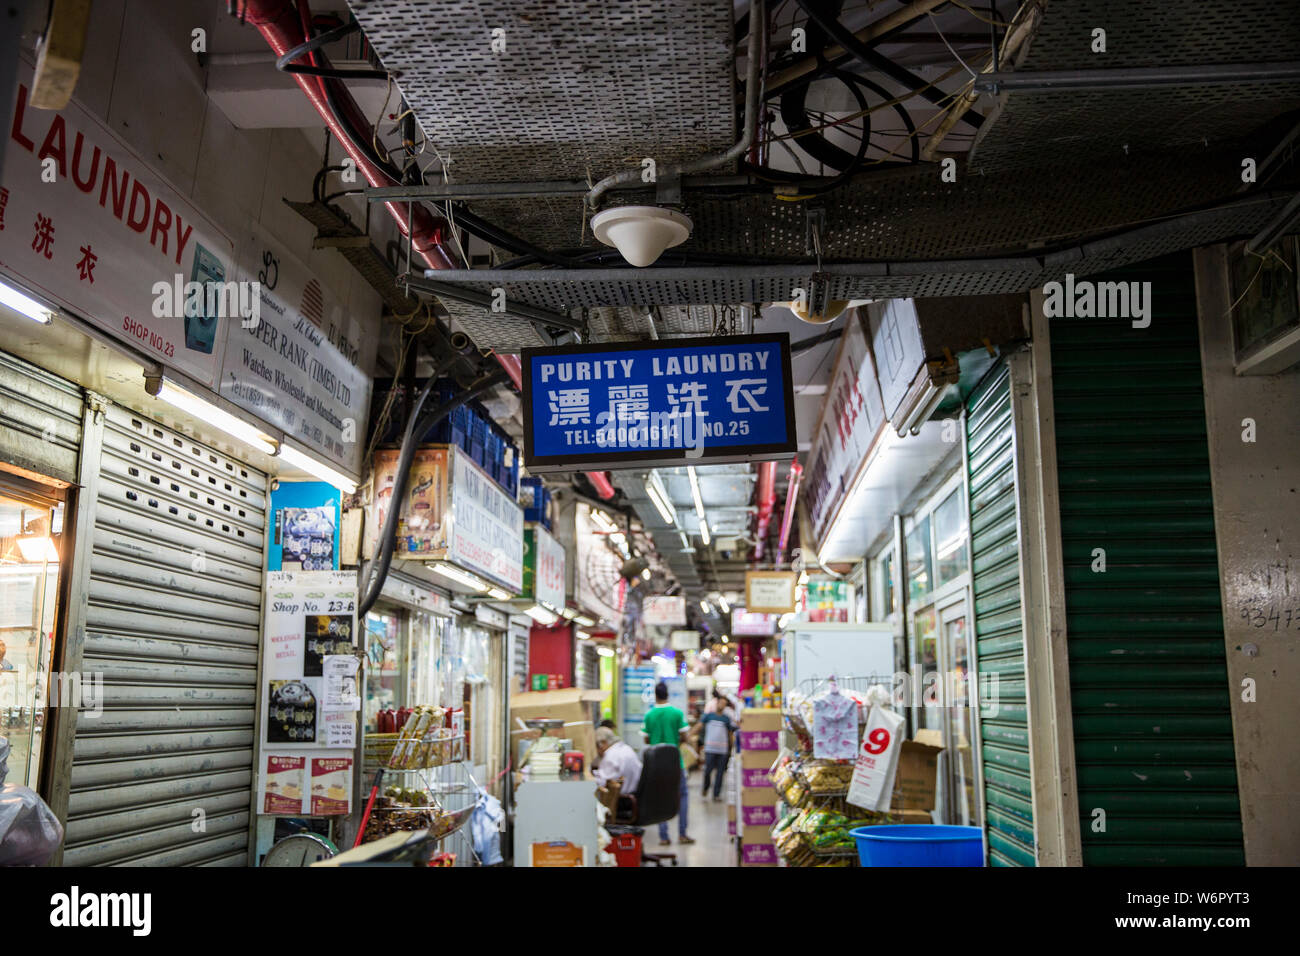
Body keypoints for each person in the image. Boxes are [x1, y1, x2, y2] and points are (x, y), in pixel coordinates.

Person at [641, 681, 693, 846]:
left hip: (655, 766)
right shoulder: (676, 713)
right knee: (682, 796)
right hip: (675, 763)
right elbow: (685, 737)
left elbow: (646, 739)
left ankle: (663, 837)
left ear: (655, 695)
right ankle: (682, 833)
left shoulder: (649, 715)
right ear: (667, 694)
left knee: (659, 798)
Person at [696, 700, 736, 801]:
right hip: (710, 749)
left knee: (720, 773)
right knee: (707, 771)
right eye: (720, 703)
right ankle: (705, 787)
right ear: (717, 704)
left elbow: (730, 734)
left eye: (724, 704)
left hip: (722, 750)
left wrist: (731, 747)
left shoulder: (726, 719)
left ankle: (716, 794)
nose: (722, 705)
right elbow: (699, 725)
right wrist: (689, 734)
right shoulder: (709, 716)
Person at [594, 727, 642, 796]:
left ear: (603, 742)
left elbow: (603, 781)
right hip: (636, 794)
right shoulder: (626, 748)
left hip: (622, 800)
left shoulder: (610, 755)